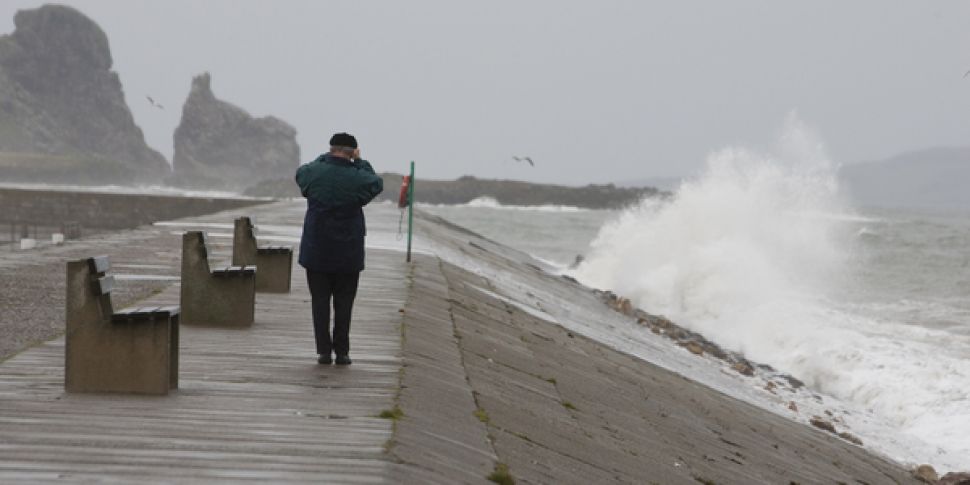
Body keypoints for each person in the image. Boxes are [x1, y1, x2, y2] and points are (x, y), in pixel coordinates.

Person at [295, 133, 384, 365]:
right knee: (345, 301)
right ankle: (342, 352)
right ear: (352, 152)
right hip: (348, 250)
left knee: (320, 300)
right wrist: (361, 161)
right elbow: (375, 182)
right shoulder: (358, 176)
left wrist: (325, 157)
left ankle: (323, 351)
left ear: (331, 149)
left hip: (316, 248)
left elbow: (302, 173)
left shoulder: (314, 172)